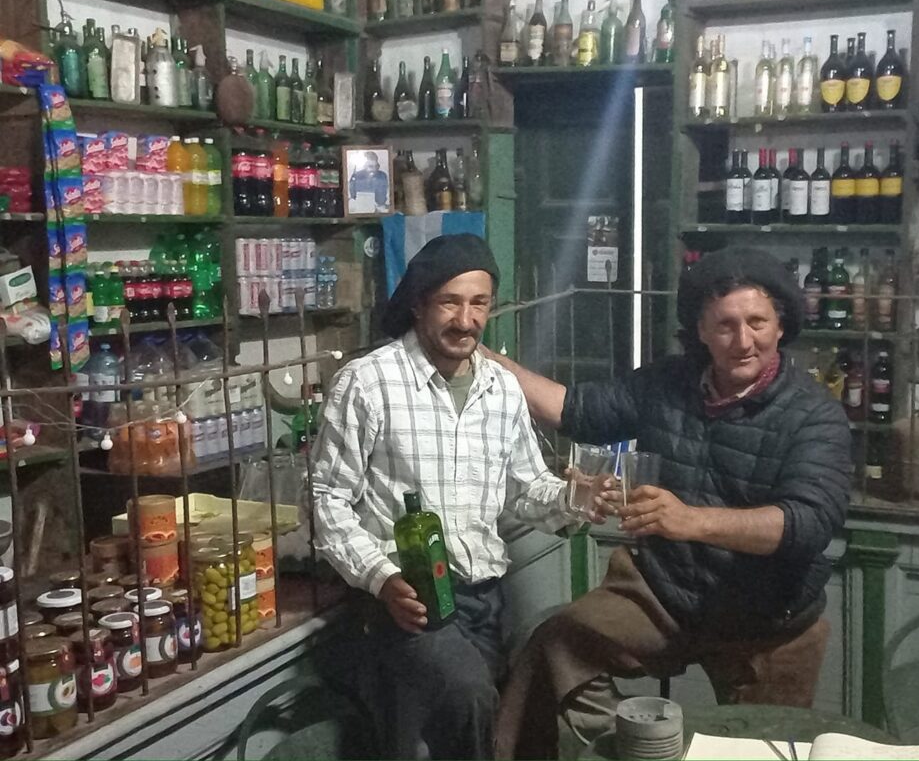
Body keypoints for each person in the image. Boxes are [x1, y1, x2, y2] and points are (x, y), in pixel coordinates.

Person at [490, 248, 853, 759]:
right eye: (725, 325)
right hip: (667, 592)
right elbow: (577, 410)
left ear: (781, 325)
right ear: (700, 330)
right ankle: (635, 749)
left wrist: (690, 520)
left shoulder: (814, 415)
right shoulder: (668, 383)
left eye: (757, 322)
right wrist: (485, 358)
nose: (743, 341)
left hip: (769, 621)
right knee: (558, 644)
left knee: (764, 748)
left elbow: (809, 523)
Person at [310, 234, 589, 760]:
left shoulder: (501, 388)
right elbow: (328, 499)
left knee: (482, 719)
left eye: (479, 303)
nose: (466, 320)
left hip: (486, 598)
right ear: (419, 304)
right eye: (450, 302)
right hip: (411, 601)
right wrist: (380, 577)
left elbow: (526, 490)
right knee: (470, 699)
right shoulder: (369, 383)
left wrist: (576, 497)